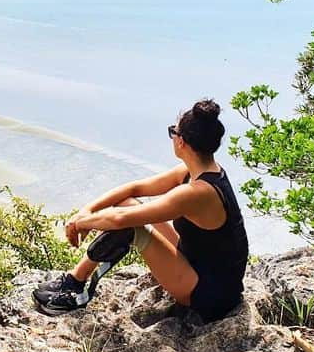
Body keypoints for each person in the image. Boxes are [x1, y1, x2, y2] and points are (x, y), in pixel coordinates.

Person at [34, 99, 248, 321]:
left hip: (211, 294)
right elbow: (135, 188)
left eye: (173, 132)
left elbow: (121, 220)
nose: (172, 137)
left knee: (132, 227)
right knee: (129, 204)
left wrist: (80, 224)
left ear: (182, 142)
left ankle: (76, 287)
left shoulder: (198, 192)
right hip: (198, 263)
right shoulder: (196, 171)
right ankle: (74, 280)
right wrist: (86, 211)